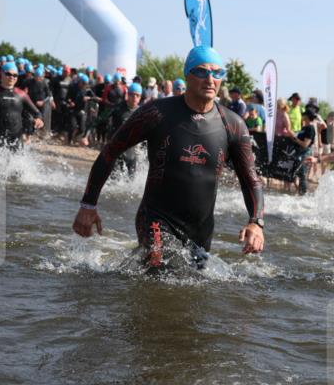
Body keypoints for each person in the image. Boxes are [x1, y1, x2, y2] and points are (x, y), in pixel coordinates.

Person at [72, 45, 265, 269]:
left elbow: (250, 178)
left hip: (200, 230)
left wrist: (256, 222)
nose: (210, 79)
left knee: (190, 290)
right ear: (187, 75)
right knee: (162, 269)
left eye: (217, 73)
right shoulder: (157, 113)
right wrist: (88, 205)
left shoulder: (232, 124)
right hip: (155, 219)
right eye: (202, 71)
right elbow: (110, 152)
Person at [107, 81, 143, 176]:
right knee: (114, 179)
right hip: (118, 150)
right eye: (132, 95)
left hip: (133, 152)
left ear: (140, 97)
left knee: (131, 180)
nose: (134, 97)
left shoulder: (143, 112)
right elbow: (102, 119)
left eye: (137, 95)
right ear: (128, 95)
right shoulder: (118, 109)